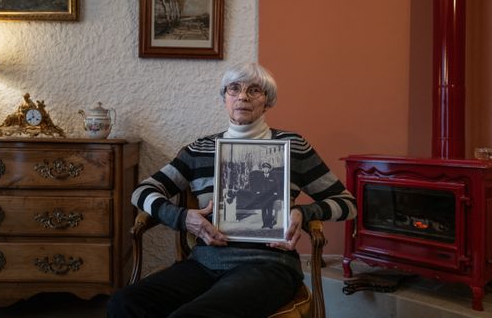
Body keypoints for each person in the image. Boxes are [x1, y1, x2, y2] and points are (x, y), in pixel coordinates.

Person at [107, 62, 357, 318]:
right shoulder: (200, 149)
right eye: (234, 89)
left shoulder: (292, 147)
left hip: (269, 265)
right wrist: (183, 218)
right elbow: (142, 192)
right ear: (224, 98)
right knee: (124, 303)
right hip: (205, 262)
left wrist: (302, 213)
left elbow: (347, 203)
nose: (242, 96)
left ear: (267, 102)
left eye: (254, 90)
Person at [250, 161, 279, 229]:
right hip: (262, 197)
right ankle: (264, 224)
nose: (265, 169)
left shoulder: (273, 177)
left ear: (269, 169)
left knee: (270, 210)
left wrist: (275, 192)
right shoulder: (259, 177)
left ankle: (270, 224)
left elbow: (276, 185)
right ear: (262, 169)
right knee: (263, 210)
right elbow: (257, 185)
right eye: (264, 168)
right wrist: (257, 192)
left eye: (267, 168)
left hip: (270, 197)